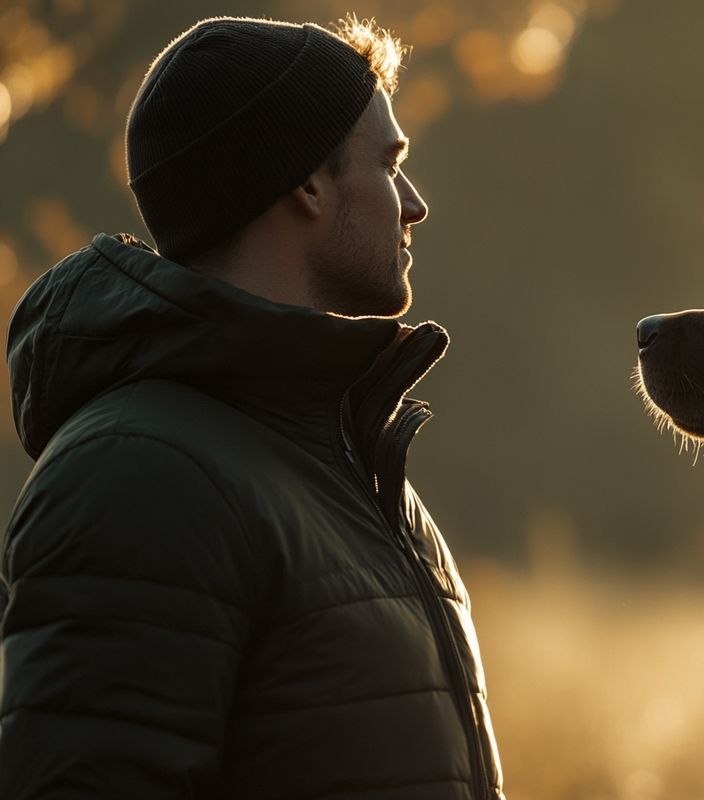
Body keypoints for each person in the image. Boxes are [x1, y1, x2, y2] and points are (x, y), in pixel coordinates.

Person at [0, 15, 504, 799]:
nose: (415, 204)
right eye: (390, 162)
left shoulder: (346, 468)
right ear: (306, 183)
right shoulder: (139, 475)